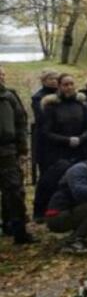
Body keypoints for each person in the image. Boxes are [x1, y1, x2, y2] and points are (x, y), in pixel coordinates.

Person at [33, 74, 87, 221]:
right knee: (49, 182)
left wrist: (81, 138)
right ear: (59, 86)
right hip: (56, 151)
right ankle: (42, 212)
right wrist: (67, 140)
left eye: (71, 84)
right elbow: (45, 132)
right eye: (65, 84)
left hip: (79, 150)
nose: (69, 87)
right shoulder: (51, 107)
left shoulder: (81, 105)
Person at [0, 65, 37, 244]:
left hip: (8, 152)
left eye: (2, 74)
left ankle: (18, 231)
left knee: (14, 192)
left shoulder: (10, 96)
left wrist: (23, 150)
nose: (1, 77)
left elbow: (21, 122)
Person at [30, 69, 59, 180]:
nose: (54, 81)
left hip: (60, 138)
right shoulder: (38, 97)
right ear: (43, 81)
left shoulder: (62, 94)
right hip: (45, 140)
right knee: (47, 173)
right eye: (51, 79)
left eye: (56, 79)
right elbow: (42, 117)